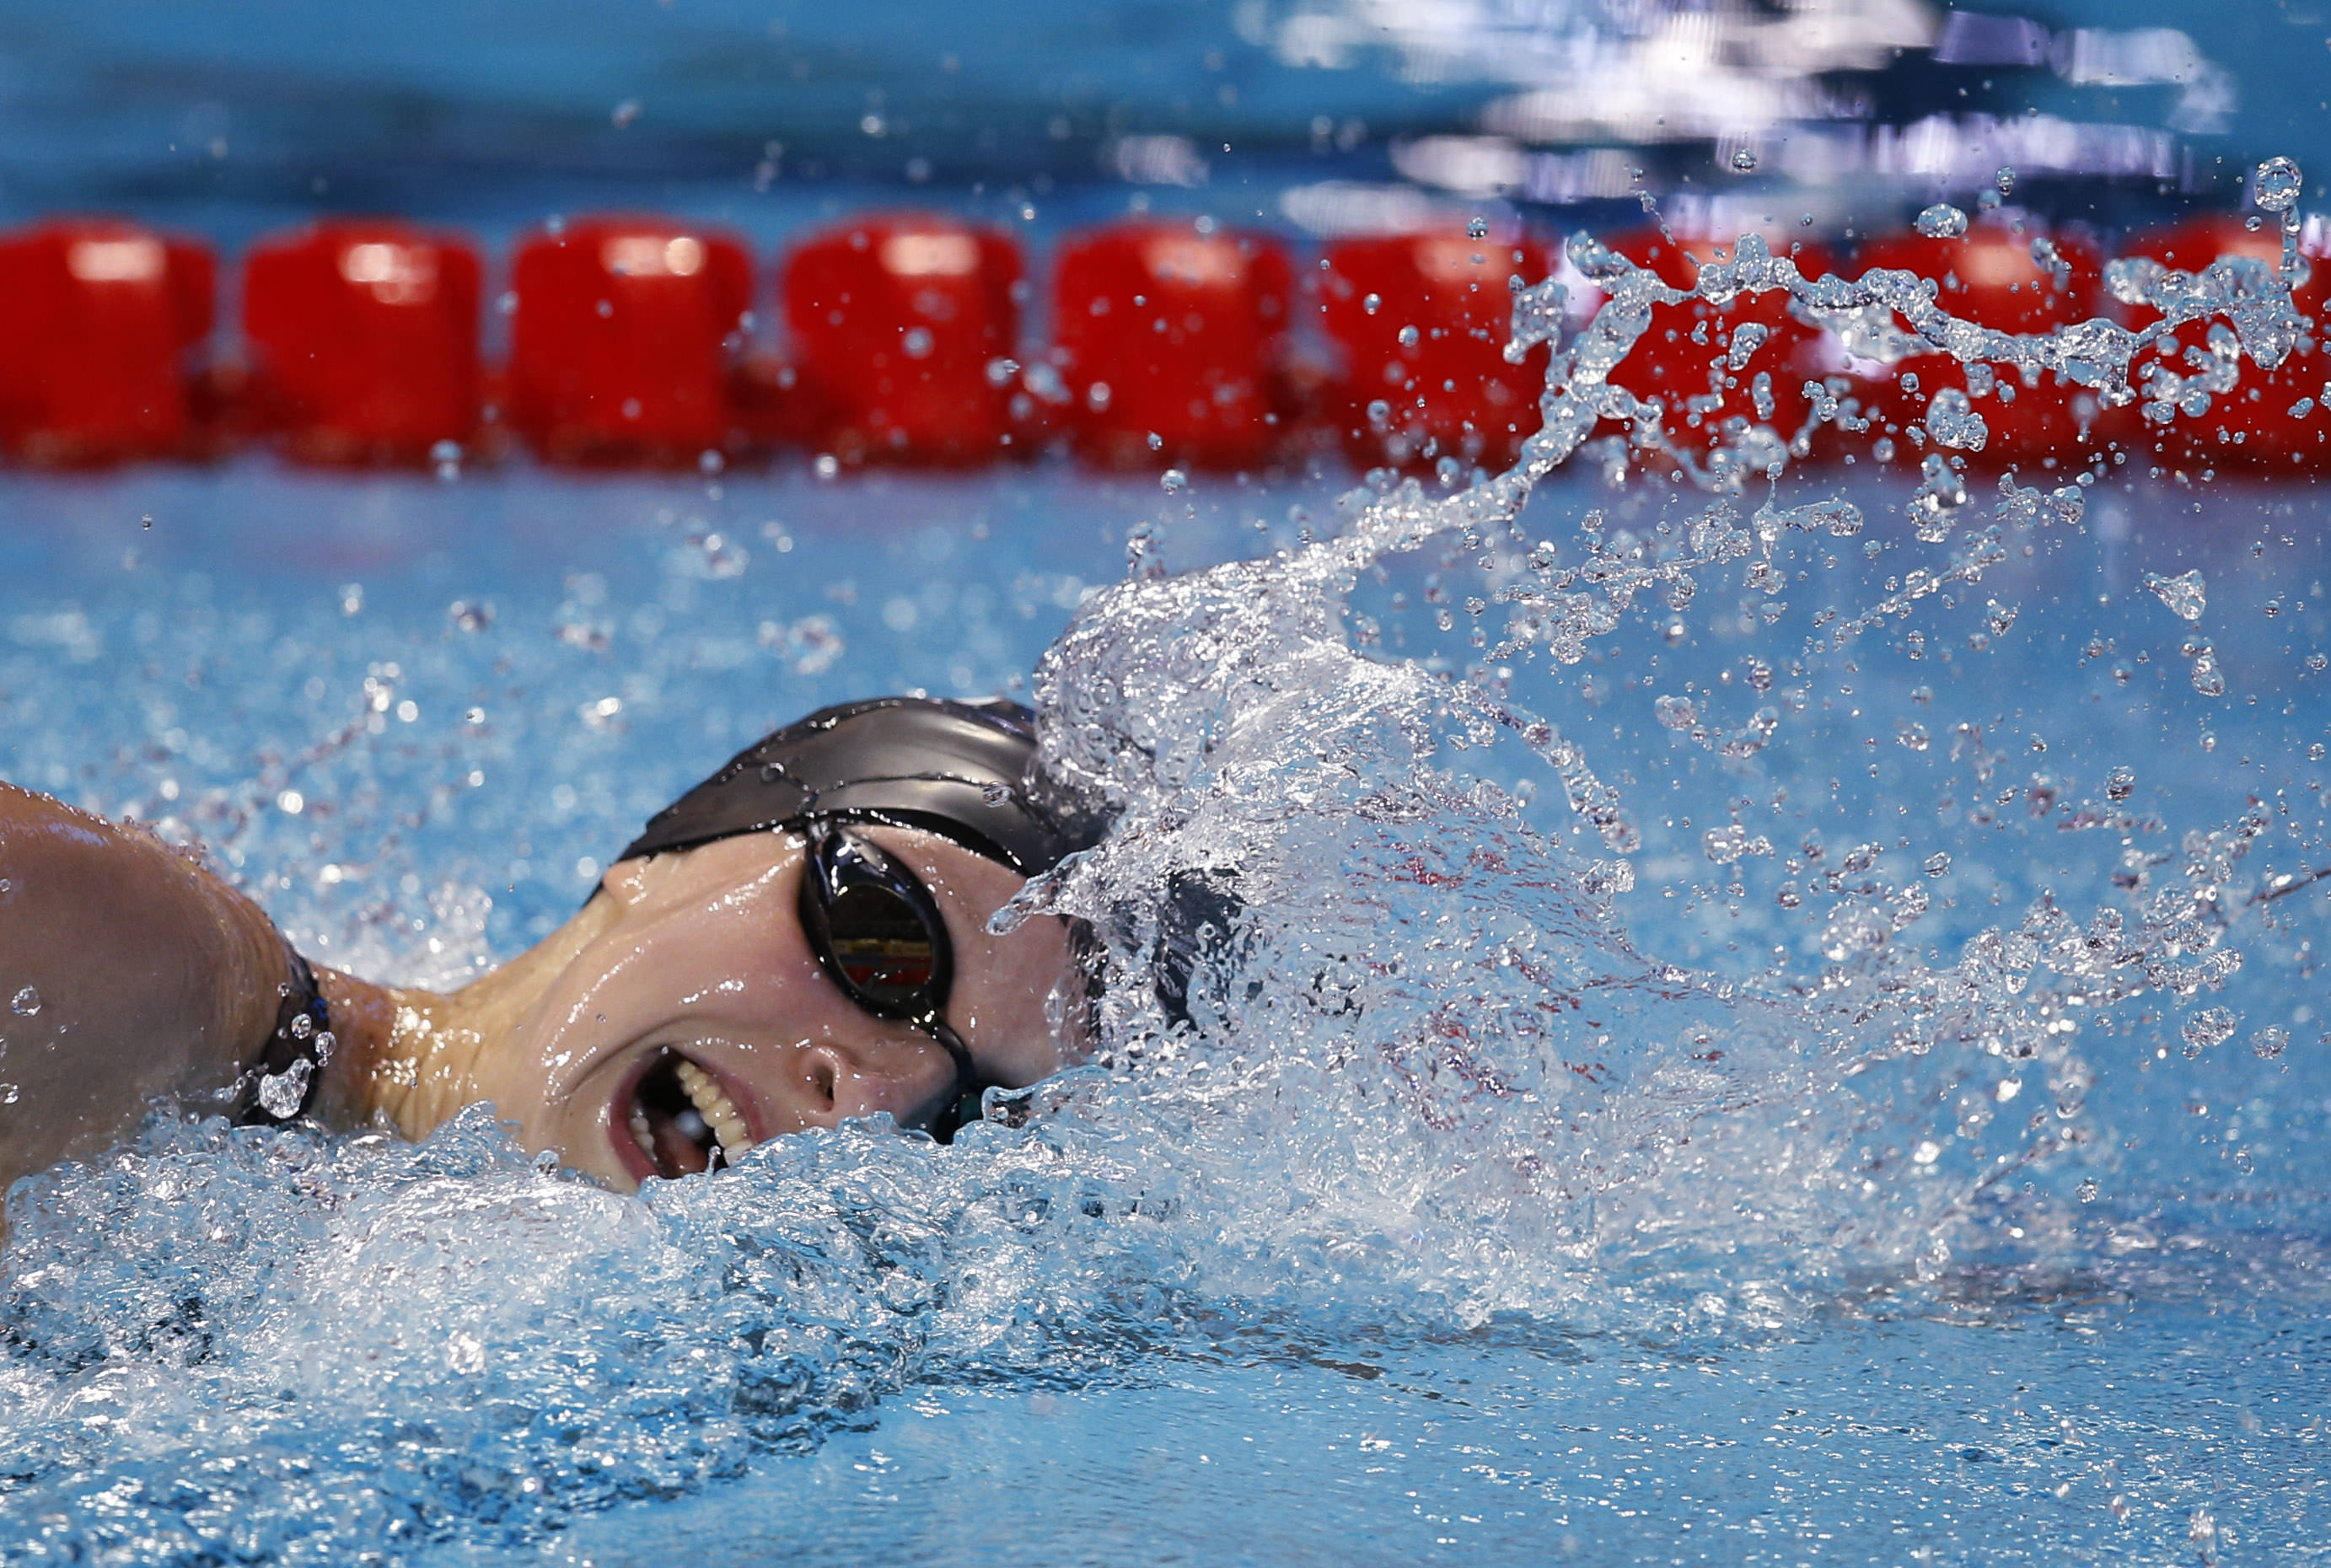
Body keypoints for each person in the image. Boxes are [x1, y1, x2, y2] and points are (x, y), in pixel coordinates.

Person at [0, 697, 1104, 1198]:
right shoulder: (144, 976)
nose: (868, 1102)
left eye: (968, 1121)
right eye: (882, 944)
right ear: (669, 852)